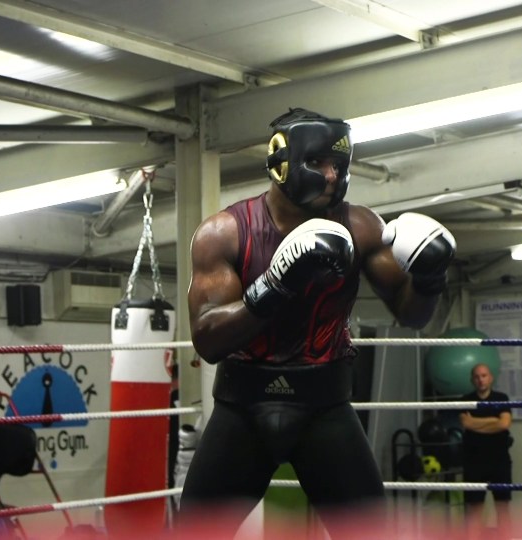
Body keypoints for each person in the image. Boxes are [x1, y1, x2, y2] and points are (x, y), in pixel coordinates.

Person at [180, 108, 456, 538]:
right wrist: (276, 282)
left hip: (324, 409)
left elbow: (411, 314)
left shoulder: (360, 225)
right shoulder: (225, 233)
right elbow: (207, 340)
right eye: (318, 163)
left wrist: (430, 276)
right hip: (242, 410)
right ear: (281, 163)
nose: (331, 176)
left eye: (339, 165)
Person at [459, 363, 513, 540]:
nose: (480, 380)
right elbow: (466, 424)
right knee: (474, 509)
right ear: (471, 380)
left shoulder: (501, 398)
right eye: (477, 376)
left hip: (499, 460)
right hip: (474, 461)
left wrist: (477, 423)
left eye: (484, 376)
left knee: (503, 507)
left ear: (490, 377)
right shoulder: (465, 400)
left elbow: (504, 424)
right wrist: (493, 422)